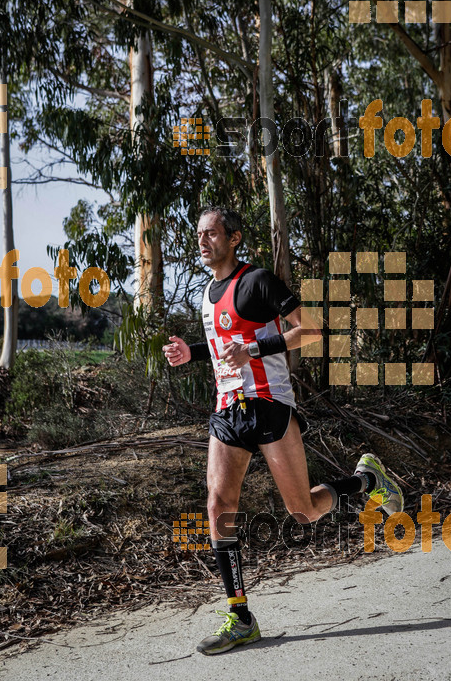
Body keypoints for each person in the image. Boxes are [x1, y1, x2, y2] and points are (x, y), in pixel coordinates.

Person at [163, 206, 404, 656]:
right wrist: (191, 353)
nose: (202, 240)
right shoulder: (207, 294)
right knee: (218, 504)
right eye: (198, 234)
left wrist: (253, 346)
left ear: (234, 239)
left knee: (304, 510)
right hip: (228, 411)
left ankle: (369, 479)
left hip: (270, 405)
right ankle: (240, 617)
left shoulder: (257, 282)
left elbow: (310, 330)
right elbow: (223, 349)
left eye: (211, 233)